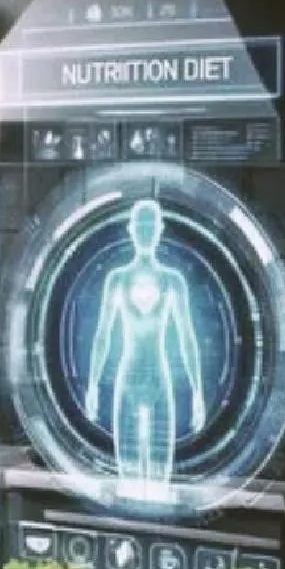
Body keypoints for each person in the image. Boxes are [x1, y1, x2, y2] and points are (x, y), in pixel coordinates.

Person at [84, 199, 206, 496]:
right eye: (141, 225)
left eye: (151, 225)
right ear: (131, 229)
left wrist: (198, 393)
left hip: (160, 377)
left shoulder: (172, 281)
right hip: (127, 377)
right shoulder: (118, 279)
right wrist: (93, 385)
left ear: (160, 229)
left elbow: (188, 338)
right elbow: (102, 335)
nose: (146, 231)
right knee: (127, 469)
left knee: (159, 470)